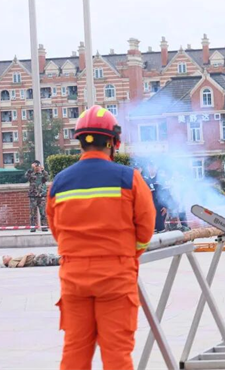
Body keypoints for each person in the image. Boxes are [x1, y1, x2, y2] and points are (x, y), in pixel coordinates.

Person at [46, 105, 156, 370]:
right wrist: (125, 254)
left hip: (73, 278)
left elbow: (56, 230)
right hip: (116, 277)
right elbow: (145, 229)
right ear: (113, 142)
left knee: (74, 351)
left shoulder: (59, 183)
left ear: (80, 142)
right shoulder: (129, 178)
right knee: (117, 353)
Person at [25, 160, 49, 232]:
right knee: (32, 213)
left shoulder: (43, 174)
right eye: (35, 166)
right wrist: (32, 169)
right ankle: (33, 227)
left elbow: (46, 178)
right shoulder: (31, 174)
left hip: (41, 195)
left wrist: (43, 170)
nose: (37, 167)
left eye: (38, 166)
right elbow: (26, 177)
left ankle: (44, 226)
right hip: (33, 196)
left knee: (43, 212)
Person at [145, 162, 168, 232]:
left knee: (160, 228)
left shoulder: (161, 179)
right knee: (151, 229)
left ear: (156, 167)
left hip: (160, 208)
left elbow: (166, 193)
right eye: (150, 166)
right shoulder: (145, 179)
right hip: (149, 207)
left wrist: (166, 206)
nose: (151, 168)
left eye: (153, 166)